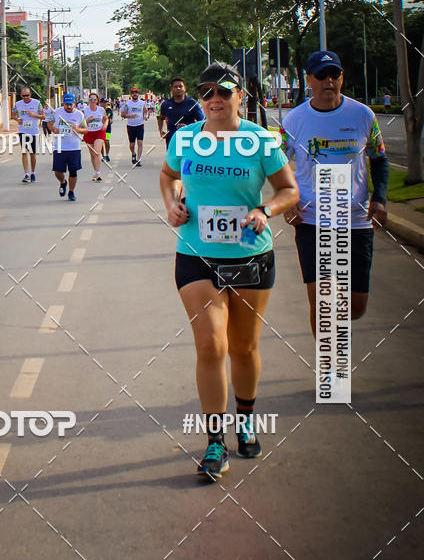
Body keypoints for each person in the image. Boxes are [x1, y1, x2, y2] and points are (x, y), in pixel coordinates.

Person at [160, 62, 298, 480]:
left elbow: (288, 190)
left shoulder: (259, 140)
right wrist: (171, 203)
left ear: (240, 96)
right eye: (207, 93)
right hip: (197, 255)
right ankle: (215, 441)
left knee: (243, 347)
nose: (215, 100)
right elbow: (168, 177)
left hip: (250, 257)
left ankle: (248, 418)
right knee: (210, 347)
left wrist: (265, 209)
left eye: (224, 92)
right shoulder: (185, 138)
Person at [281, 50, 389, 337]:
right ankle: (329, 370)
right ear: (309, 80)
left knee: (356, 306)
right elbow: (275, 162)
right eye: (321, 75)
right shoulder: (294, 120)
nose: (328, 80)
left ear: (341, 78)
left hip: (355, 220)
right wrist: (287, 197)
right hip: (312, 219)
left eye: (334, 75)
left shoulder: (363, 115)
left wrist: (379, 198)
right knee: (322, 300)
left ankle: (338, 322)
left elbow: (379, 159)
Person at [49, 93, 86, 201]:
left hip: (74, 147)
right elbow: (48, 123)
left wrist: (78, 129)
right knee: (57, 171)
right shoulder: (56, 112)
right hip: (60, 146)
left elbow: (85, 129)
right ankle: (63, 182)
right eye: (66, 104)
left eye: (70, 104)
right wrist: (53, 129)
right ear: (63, 104)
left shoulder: (79, 115)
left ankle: (71, 191)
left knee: (73, 171)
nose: (68, 107)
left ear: (74, 104)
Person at [157, 77, 205, 149]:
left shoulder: (192, 103)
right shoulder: (166, 104)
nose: (178, 88)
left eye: (180, 86)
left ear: (184, 88)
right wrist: (161, 131)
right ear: (171, 89)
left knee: (187, 160)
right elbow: (161, 118)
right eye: (175, 87)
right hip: (172, 140)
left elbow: (202, 122)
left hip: (189, 140)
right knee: (172, 160)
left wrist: (188, 127)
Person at [12, 86, 43, 183]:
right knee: (24, 151)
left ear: (30, 95)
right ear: (21, 95)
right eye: (23, 96)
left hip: (34, 131)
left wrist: (34, 115)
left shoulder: (37, 103)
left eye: (27, 95)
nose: (25, 97)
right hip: (23, 131)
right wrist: (17, 119)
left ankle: (33, 172)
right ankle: (26, 174)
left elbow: (43, 116)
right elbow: (13, 114)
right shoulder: (17, 104)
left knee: (32, 153)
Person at [83, 92, 107, 181]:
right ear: (88, 100)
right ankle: (96, 171)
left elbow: (105, 119)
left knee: (97, 152)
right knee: (93, 155)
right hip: (89, 133)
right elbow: (81, 124)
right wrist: (87, 120)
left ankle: (97, 173)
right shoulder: (85, 110)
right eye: (91, 99)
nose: (92, 101)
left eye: (94, 99)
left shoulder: (101, 109)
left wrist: (105, 125)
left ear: (97, 101)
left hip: (99, 132)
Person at [121, 87, 148, 166]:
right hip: (131, 126)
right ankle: (133, 153)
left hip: (140, 125)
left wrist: (146, 116)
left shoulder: (142, 103)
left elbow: (145, 111)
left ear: (138, 94)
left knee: (140, 142)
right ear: (131, 94)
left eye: (136, 93)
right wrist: (130, 116)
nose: (135, 94)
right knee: (132, 144)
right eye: (133, 93)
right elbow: (122, 115)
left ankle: (138, 159)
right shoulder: (127, 104)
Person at [100, 97, 113, 162]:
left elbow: (109, 116)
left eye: (106, 102)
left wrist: (111, 119)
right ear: (100, 103)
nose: (105, 104)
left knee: (106, 141)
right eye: (104, 102)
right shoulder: (98, 110)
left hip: (107, 128)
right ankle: (102, 155)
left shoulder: (108, 110)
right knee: (101, 142)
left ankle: (107, 155)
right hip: (100, 129)